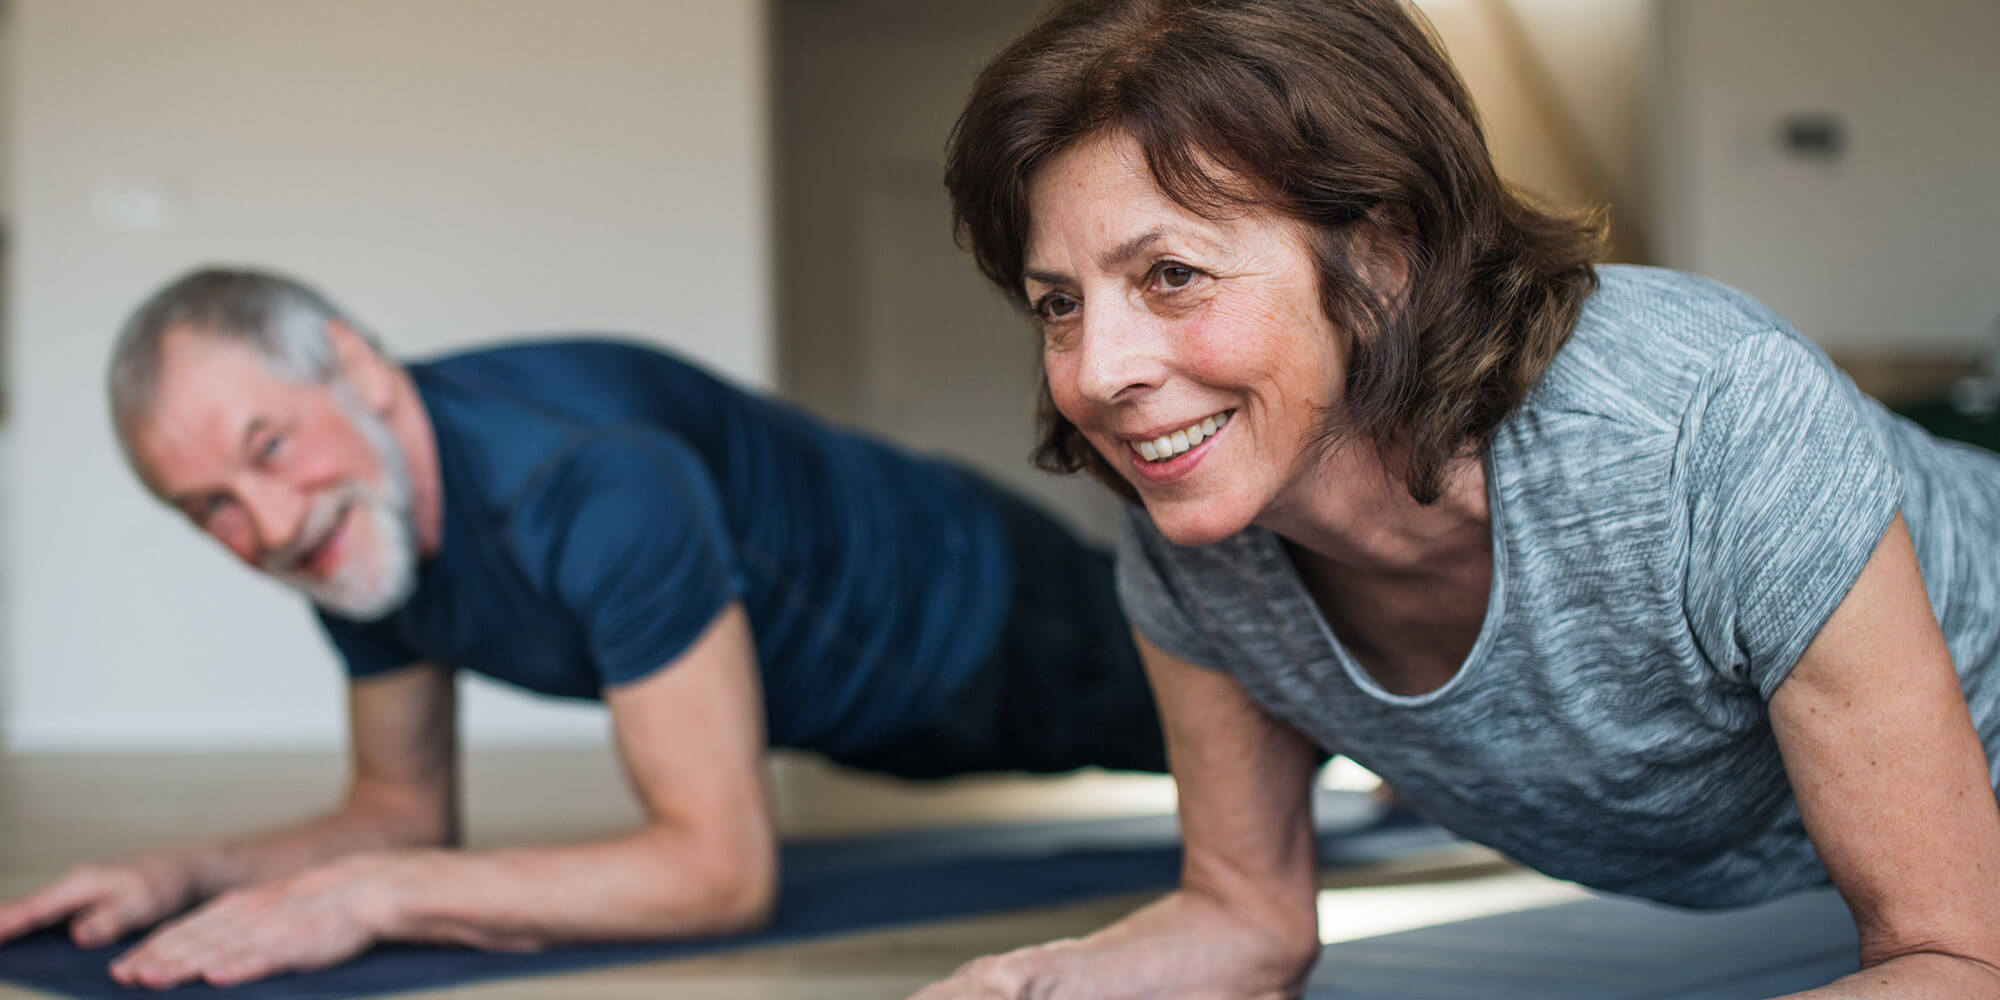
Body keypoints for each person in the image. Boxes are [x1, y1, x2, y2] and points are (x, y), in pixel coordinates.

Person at [912, 0, 2000, 997]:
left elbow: (1949, 957)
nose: (1096, 372)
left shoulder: (1700, 422)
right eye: (1058, 302)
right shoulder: (1196, 544)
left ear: (1384, 256)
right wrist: (1019, 987)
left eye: (1171, 276)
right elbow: (1243, 916)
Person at [0, 268, 1166, 991]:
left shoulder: (587, 477)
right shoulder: (354, 531)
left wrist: (371, 897)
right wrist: (181, 871)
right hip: (865, 712)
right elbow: (398, 813)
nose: (264, 525)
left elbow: (716, 872)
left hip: (986, 614)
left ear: (352, 363)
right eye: (208, 505)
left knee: (1277, 698)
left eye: (266, 447)